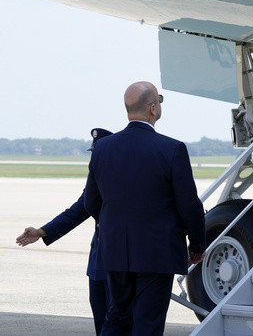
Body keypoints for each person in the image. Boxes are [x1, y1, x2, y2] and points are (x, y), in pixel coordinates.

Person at [84, 82, 206, 335]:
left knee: (117, 318)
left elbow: (92, 203)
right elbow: (189, 206)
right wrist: (196, 245)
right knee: (147, 323)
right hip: (156, 253)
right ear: (153, 108)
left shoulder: (103, 148)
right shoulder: (172, 149)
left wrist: (115, 229)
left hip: (115, 250)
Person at [16, 128, 115, 334]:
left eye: (96, 153)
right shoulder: (95, 178)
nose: (93, 158)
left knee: (119, 324)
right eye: (92, 153)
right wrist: (42, 231)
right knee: (101, 322)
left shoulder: (127, 179)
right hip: (97, 264)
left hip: (121, 264)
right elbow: (78, 210)